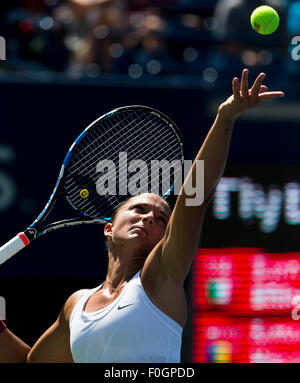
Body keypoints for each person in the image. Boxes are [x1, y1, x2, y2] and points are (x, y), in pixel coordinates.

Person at [0, 69, 284, 363]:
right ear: (108, 229)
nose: (150, 218)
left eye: (162, 219)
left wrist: (224, 119)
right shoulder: (76, 305)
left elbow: (194, 199)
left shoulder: (160, 278)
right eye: (139, 209)